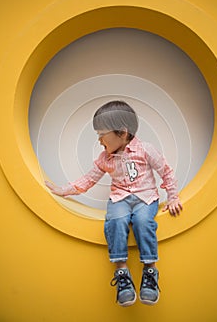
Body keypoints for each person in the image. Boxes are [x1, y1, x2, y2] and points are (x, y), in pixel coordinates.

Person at [45, 100, 182, 307]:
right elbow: (88, 179)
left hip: (146, 198)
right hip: (120, 199)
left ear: (123, 133)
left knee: (143, 221)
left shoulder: (146, 150)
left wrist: (173, 197)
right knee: (116, 221)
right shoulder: (105, 158)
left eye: (101, 134)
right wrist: (64, 190)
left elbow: (166, 172)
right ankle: (122, 273)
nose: (99, 140)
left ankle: (150, 271)